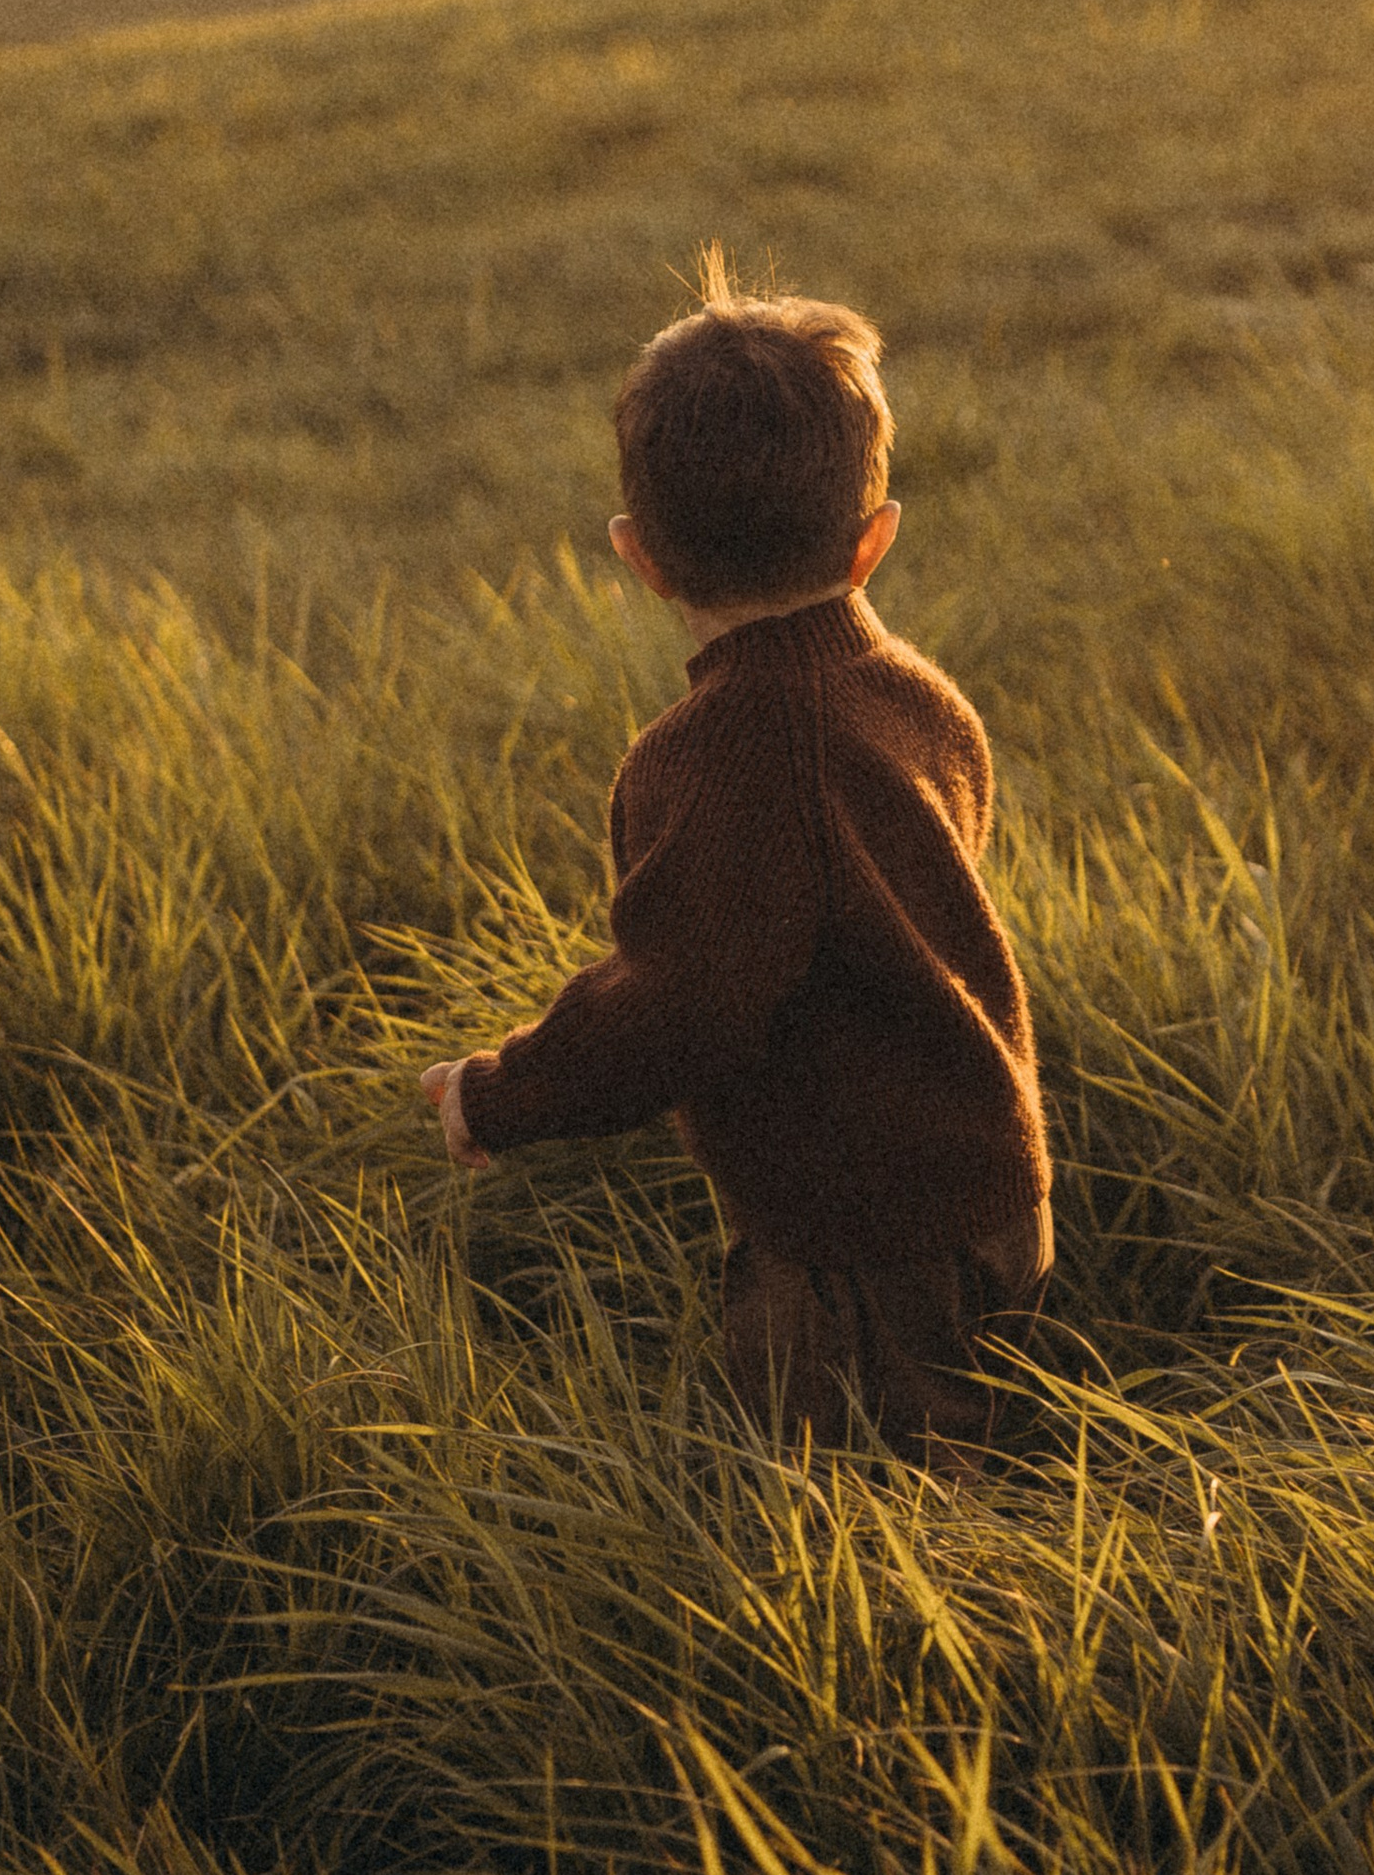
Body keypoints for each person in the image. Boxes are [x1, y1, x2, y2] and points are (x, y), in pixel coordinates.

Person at [421, 274, 1053, 1458]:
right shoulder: (922, 702)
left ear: (639, 558)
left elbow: (684, 1000)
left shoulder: (719, 758)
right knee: (985, 1457)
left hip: (857, 1241)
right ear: (875, 538)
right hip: (995, 1183)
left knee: (864, 1520)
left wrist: (500, 1094)